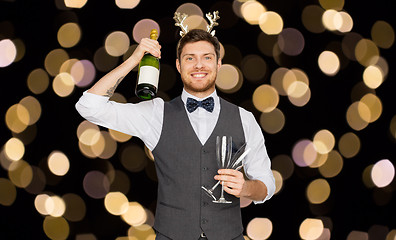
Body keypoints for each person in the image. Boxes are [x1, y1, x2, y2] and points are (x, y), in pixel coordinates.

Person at [76, 28, 275, 240]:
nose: (199, 65)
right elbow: (88, 106)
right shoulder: (156, 114)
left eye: (207, 57)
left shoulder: (244, 118)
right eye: (190, 58)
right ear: (179, 66)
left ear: (218, 64)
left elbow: (267, 185)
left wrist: (246, 188)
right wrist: (134, 60)